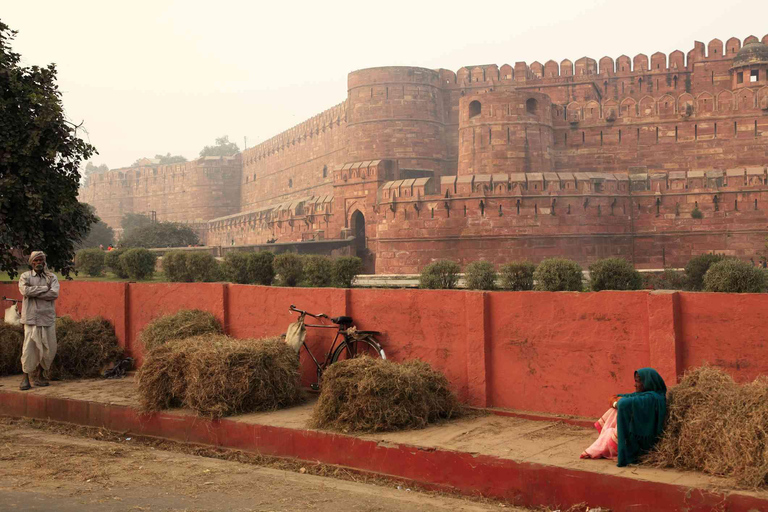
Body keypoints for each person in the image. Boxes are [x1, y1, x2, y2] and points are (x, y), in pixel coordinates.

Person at [580, 368, 667, 467]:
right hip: (635, 435)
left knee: (609, 430)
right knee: (614, 412)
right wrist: (616, 403)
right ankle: (596, 449)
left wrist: (617, 403)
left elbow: (623, 403)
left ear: (647, 382)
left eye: (637, 381)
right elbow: (614, 397)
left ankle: (595, 451)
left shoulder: (651, 398)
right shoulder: (642, 395)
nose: (635, 385)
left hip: (643, 442)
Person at [18, 251, 60, 391]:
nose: (38, 263)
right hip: (31, 318)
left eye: (41, 260)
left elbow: (54, 293)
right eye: (36, 261)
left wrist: (34, 293)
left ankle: (40, 376)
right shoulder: (25, 276)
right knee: (29, 348)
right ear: (31, 262)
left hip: (47, 318)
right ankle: (25, 378)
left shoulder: (51, 277)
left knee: (49, 348)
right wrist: (43, 289)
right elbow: (25, 291)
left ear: (44, 262)